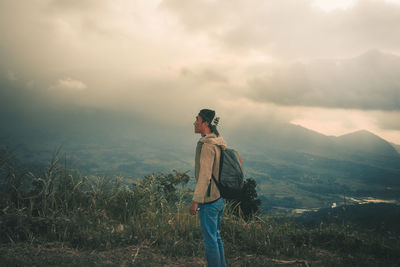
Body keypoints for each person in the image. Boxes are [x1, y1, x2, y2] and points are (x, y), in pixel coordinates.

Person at [189, 108, 227, 267]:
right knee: (216, 237)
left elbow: (204, 177)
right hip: (219, 199)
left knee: (210, 241)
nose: (194, 122)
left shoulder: (207, 146)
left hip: (209, 201)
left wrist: (196, 201)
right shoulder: (218, 141)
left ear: (205, 123)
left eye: (197, 119)